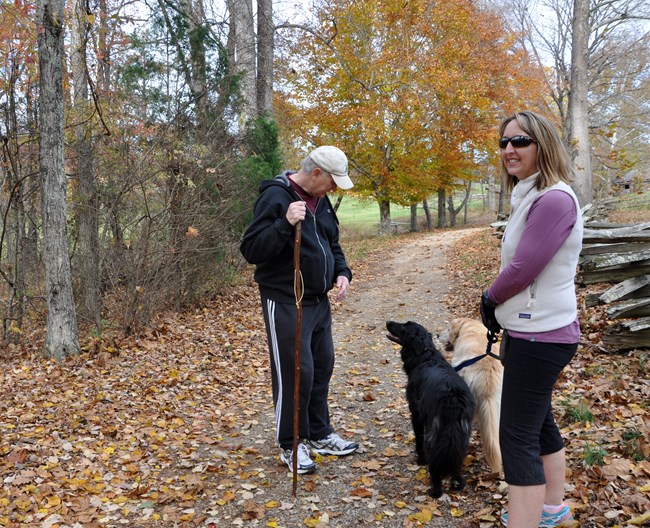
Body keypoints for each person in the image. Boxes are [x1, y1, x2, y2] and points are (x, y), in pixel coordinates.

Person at [479, 111, 583, 527]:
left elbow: (525, 267)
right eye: (504, 143)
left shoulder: (554, 198)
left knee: (516, 436)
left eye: (520, 141)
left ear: (543, 144)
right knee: (538, 422)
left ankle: (524, 521)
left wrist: (489, 298)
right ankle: (552, 508)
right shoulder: (532, 194)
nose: (509, 150)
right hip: (532, 331)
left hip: (540, 336)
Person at [240, 145, 359, 474]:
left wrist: (342, 272)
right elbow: (251, 249)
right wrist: (284, 224)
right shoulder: (276, 197)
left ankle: (319, 433)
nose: (334, 189)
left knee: (322, 366)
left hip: (319, 301)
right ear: (316, 173)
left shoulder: (320, 201)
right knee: (296, 372)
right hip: (286, 300)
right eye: (332, 182)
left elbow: (331, 243)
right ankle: (292, 444)